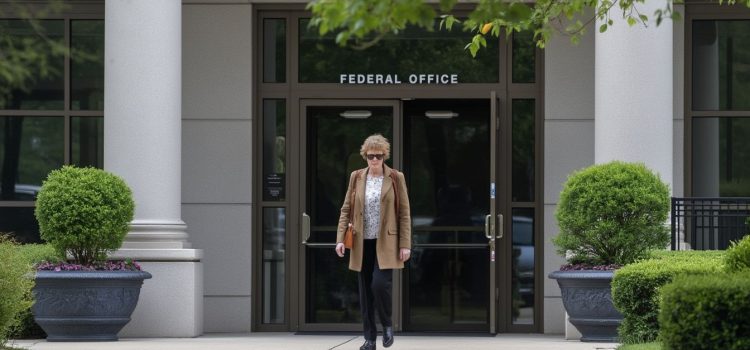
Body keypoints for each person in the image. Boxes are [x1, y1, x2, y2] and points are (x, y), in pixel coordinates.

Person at [336, 134, 411, 350]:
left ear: (384, 156)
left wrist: (405, 244)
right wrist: (340, 239)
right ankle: (369, 338)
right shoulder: (356, 177)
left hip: (386, 243)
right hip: (361, 242)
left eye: (378, 155)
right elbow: (346, 210)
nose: (375, 160)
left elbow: (404, 213)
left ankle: (387, 324)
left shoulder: (396, 178)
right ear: (365, 156)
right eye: (371, 156)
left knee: (379, 285)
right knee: (365, 291)